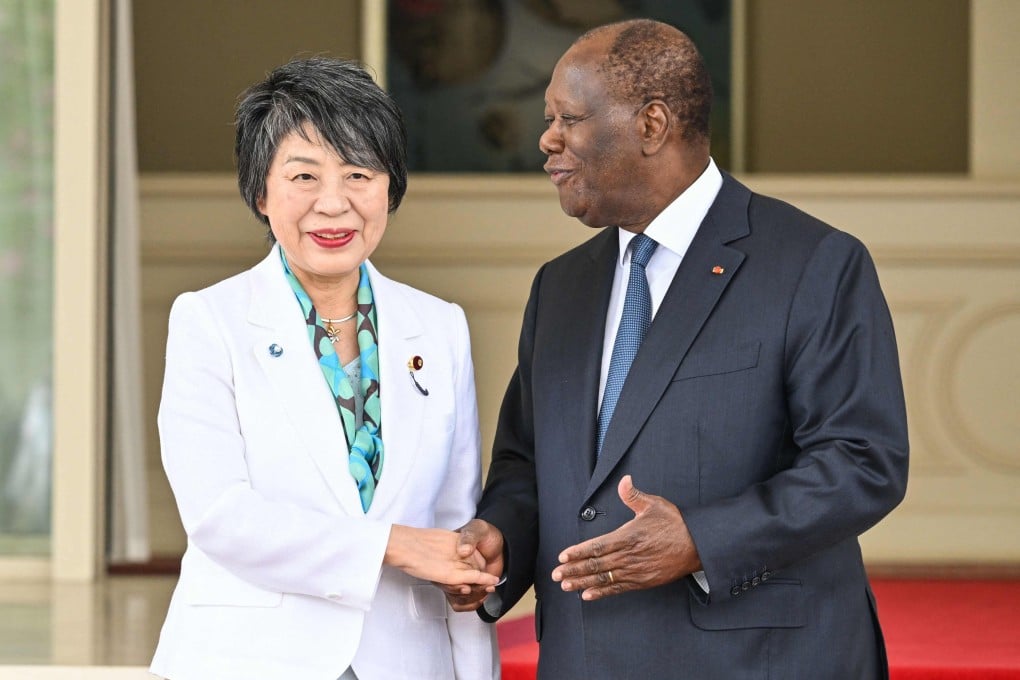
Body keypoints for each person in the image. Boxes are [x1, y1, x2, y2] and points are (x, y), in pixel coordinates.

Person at [448, 19, 909, 680]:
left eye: (568, 119)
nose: (546, 140)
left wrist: (701, 539)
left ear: (652, 124)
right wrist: (500, 538)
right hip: (584, 660)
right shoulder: (562, 287)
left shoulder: (814, 262)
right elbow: (526, 463)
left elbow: (864, 460)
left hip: (757, 662)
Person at [150, 57, 499, 680]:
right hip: (251, 659)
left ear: (389, 189)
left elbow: (454, 526)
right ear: (261, 192)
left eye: (359, 174)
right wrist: (393, 545)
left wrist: (475, 669)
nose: (333, 203)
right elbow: (219, 516)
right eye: (304, 176)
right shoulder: (210, 320)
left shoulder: (440, 327)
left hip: (406, 660)